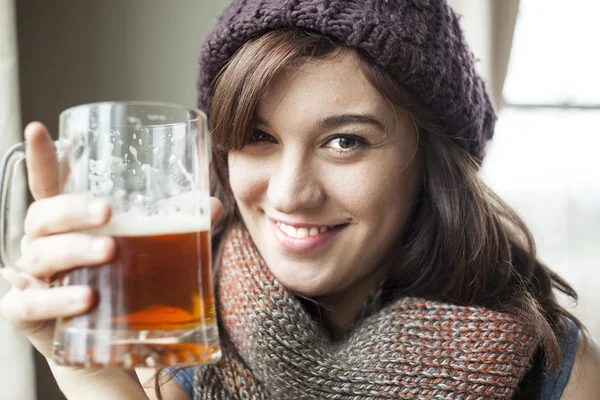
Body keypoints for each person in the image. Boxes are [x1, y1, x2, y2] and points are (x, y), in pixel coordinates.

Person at [1, 0, 600, 399]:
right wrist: (89, 371)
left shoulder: (555, 374)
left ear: (433, 160)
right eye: (257, 137)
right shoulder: (171, 345)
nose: (289, 193)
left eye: (345, 141)